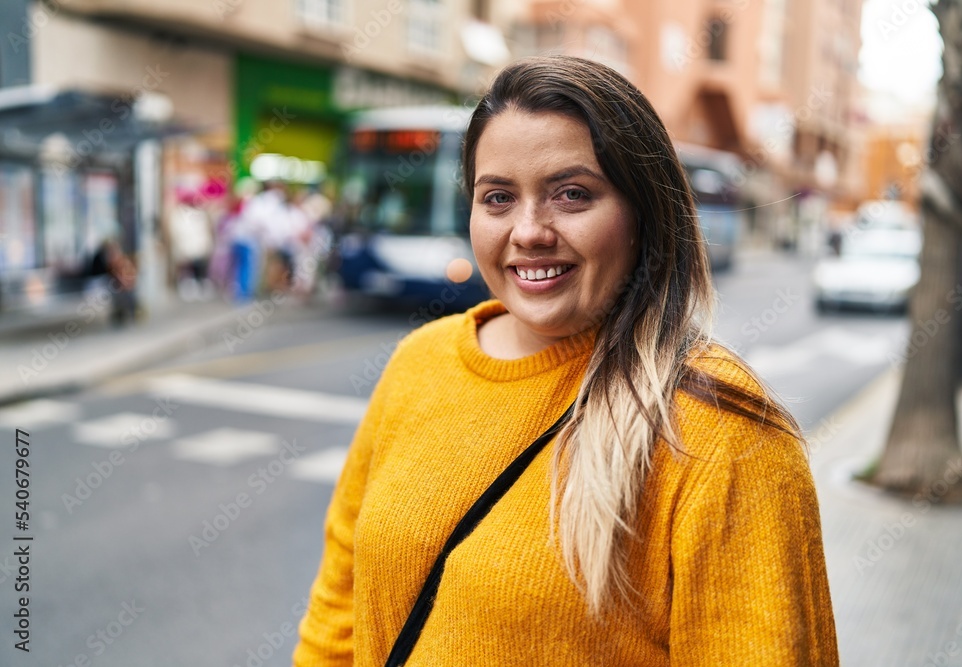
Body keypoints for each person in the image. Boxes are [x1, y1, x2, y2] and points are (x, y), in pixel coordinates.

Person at [292, 56, 838, 666]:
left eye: (571, 194)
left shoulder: (724, 432)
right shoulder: (419, 362)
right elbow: (336, 617)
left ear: (645, 213)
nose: (528, 231)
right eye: (497, 198)